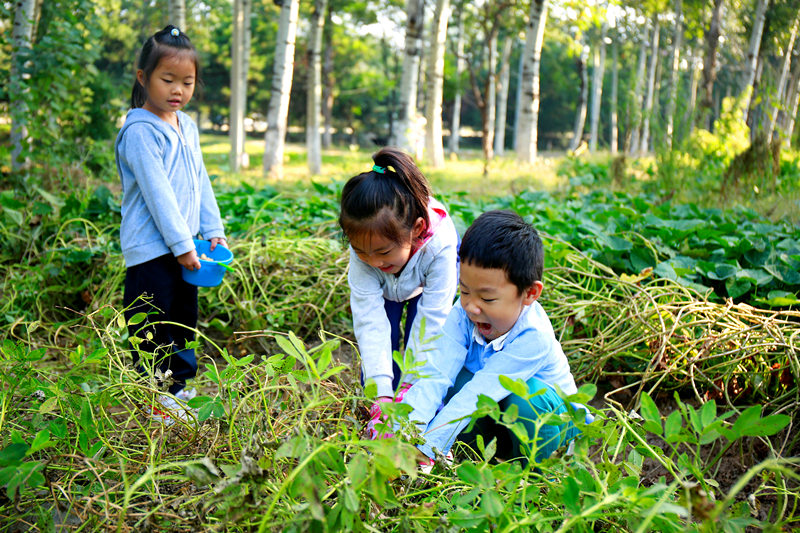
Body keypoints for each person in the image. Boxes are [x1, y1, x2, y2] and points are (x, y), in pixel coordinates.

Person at [400, 210, 584, 465]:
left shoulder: (534, 336)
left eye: (487, 298)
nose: (472, 306)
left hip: (551, 429)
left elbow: (478, 394)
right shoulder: (463, 312)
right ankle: (478, 459)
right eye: (465, 291)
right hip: (497, 413)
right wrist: (405, 431)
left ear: (529, 293)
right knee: (456, 380)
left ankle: (533, 473)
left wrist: (428, 446)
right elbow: (437, 372)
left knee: (527, 398)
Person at [115, 25, 227, 424]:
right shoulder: (140, 131)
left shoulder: (187, 125)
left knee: (182, 318)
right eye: (168, 80)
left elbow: (200, 181)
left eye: (187, 82)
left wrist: (212, 229)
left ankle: (177, 388)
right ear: (143, 77)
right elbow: (158, 195)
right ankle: (155, 395)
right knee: (152, 322)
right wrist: (182, 245)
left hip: (186, 246)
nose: (178, 90)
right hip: (152, 249)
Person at [338, 147, 459, 437]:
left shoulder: (440, 246)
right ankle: (380, 411)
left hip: (424, 286)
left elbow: (432, 322)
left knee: (424, 356)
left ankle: (423, 417)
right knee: (383, 346)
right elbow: (369, 321)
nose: (373, 261)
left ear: (417, 229)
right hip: (386, 289)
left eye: (383, 252)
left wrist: (410, 389)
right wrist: (381, 394)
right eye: (361, 251)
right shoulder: (367, 247)